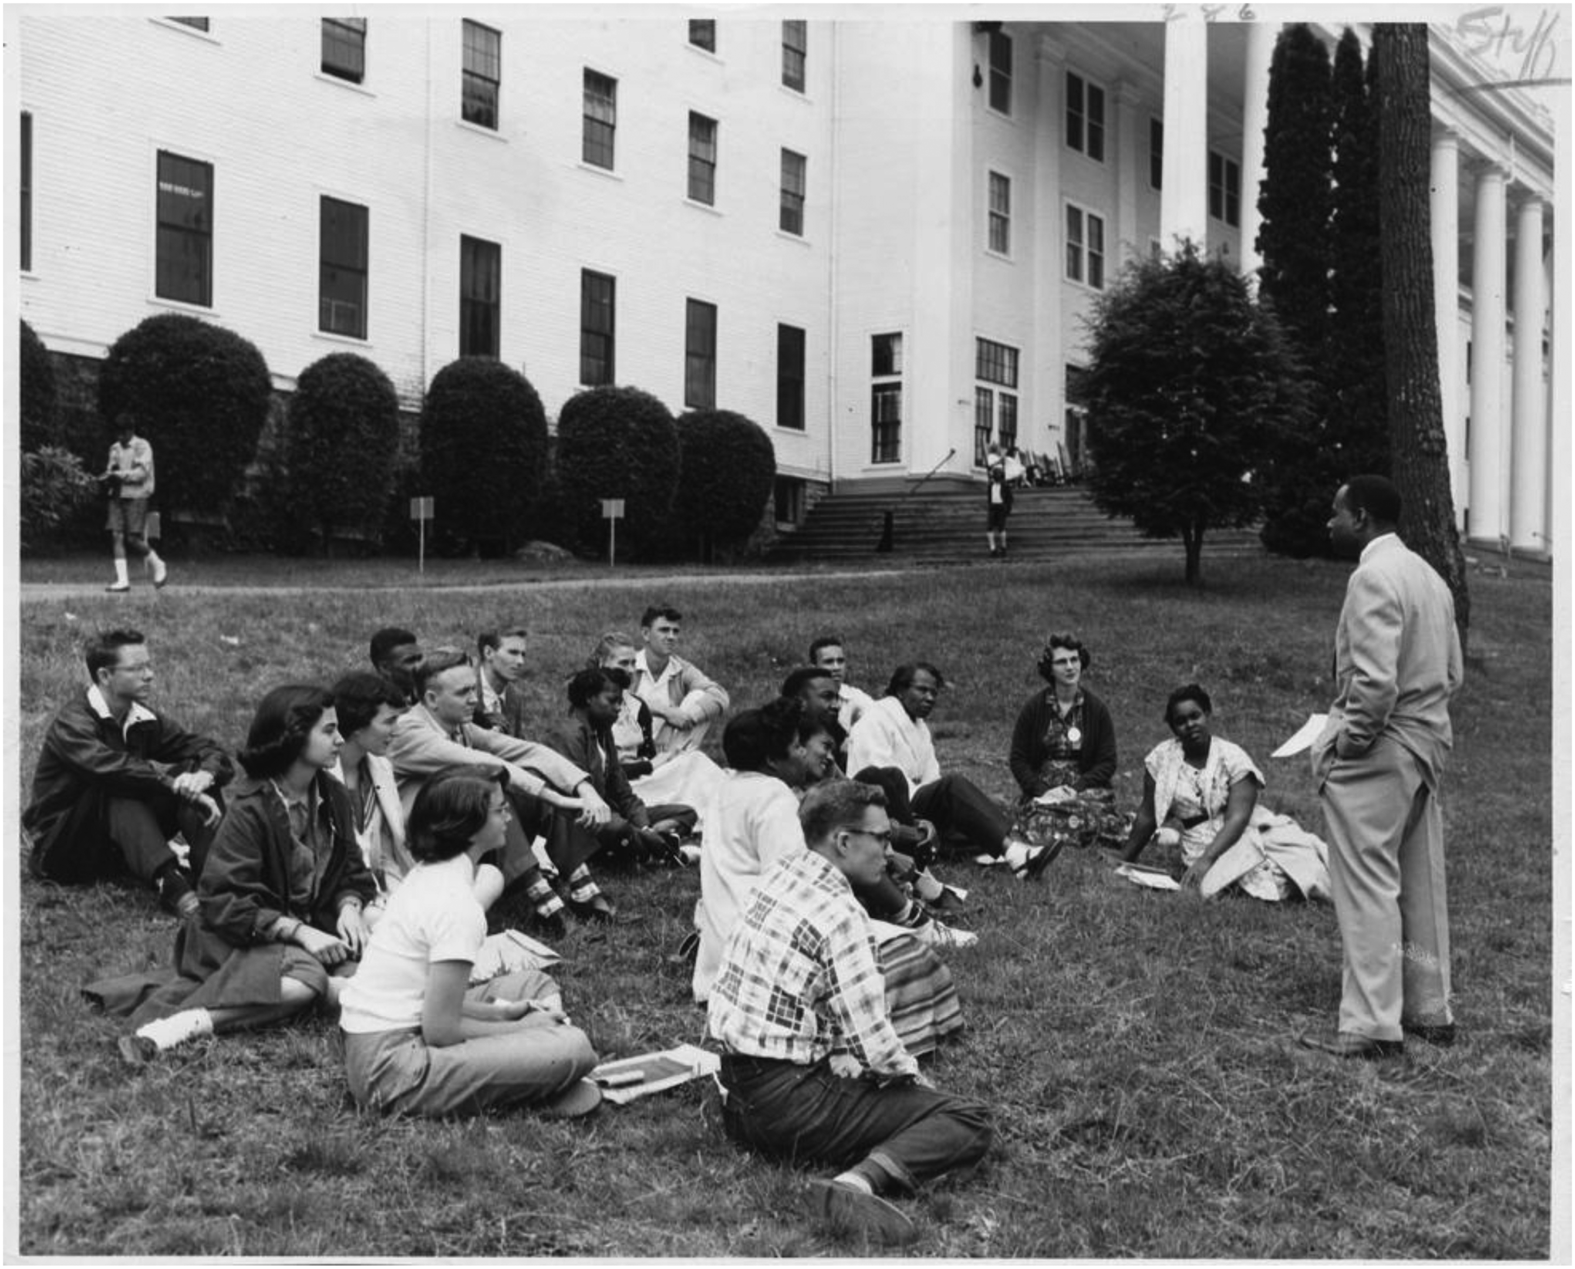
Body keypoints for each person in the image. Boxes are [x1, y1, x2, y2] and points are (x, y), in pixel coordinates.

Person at [709, 779, 993, 1246]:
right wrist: (918, 1089)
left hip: (737, 1098)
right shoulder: (842, 915)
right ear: (843, 841)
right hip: (788, 1105)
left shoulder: (779, 876)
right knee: (966, 1118)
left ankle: (844, 1152)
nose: (891, 850)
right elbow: (877, 1048)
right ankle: (855, 1184)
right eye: (881, 837)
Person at [86, 685, 378, 1064]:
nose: (340, 739)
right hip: (236, 937)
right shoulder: (251, 808)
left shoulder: (333, 793)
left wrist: (349, 905)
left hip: (311, 932)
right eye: (328, 730)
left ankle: (326, 989)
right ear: (292, 737)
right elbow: (223, 900)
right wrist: (299, 931)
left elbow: (352, 870)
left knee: (367, 971)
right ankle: (185, 1025)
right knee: (308, 983)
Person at [694, 701, 965, 1059]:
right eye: (796, 747)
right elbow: (797, 889)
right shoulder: (773, 797)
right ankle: (880, 1039)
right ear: (773, 760)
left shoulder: (727, 789)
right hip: (765, 948)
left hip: (721, 951)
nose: (804, 752)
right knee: (911, 955)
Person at [1301, 476, 1463, 1060]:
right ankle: (1427, 1009)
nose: (1329, 523)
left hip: (1381, 748)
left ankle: (1372, 1025)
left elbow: (1372, 684)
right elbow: (1452, 675)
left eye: (1336, 513)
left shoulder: (1372, 575)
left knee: (1368, 883)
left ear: (1362, 518)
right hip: (1425, 746)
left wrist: (1349, 744)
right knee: (1417, 880)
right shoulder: (1430, 577)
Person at [339, 767, 601, 1119]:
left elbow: (427, 998)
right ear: (470, 826)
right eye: (499, 810)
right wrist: (522, 1028)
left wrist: (501, 1014)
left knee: (534, 984)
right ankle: (535, 1080)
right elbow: (440, 1030)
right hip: (393, 1068)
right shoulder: (457, 905)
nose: (508, 816)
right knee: (574, 1046)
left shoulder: (428, 874)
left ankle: (529, 1074)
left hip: (380, 1039)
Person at [385, 648, 616, 926]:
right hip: (424, 846)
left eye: (473, 689)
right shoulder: (408, 731)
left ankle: (581, 887)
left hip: (459, 832)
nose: (474, 699)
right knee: (493, 786)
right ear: (432, 699)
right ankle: (544, 900)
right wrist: (556, 798)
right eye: (463, 693)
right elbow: (486, 764)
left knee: (527, 774)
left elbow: (527, 751)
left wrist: (584, 789)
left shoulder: (459, 726)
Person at [25, 628, 230, 916]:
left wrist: (203, 777)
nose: (149, 675)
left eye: (149, 665)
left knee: (192, 770)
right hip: (64, 851)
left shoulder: (141, 717)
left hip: (116, 847)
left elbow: (207, 749)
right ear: (105, 676)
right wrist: (170, 784)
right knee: (117, 783)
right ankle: (172, 885)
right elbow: (110, 768)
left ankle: (217, 877)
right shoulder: (73, 722)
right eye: (136, 668)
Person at [1121, 685, 1331, 901]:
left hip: (1245, 832)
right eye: (1181, 721)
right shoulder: (1161, 758)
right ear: (1174, 728)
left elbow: (1237, 818)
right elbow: (1148, 815)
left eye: (1195, 716)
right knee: (1212, 886)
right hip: (1197, 842)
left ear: (1207, 715)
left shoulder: (1232, 756)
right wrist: (1125, 860)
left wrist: (1207, 860)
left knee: (1289, 870)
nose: (1190, 725)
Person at [327, 671, 504, 924]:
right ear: (357, 726)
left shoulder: (380, 767)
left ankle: (442, 926)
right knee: (375, 916)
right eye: (389, 721)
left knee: (489, 875)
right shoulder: (323, 778)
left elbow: (388, 853)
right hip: (350, 898)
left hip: (390, 883)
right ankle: (447, 928)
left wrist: (399, 893)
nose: (397, 730)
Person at [847, 663, 1044, 877]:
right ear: (900, 690)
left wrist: (943, 804)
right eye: (922, 690)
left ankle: (998, 850)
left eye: (934, 692)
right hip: (889, 809)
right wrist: (935, 800)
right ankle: (1014, 853)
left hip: (917, 803)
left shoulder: (919, 727)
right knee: (953, 787)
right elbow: (881, 779)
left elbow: (932, 776)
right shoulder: (874, 720)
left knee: (982, 806)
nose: (930, 697)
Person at [543, 667, 697, 868]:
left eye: (620, 702)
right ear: (589, 698)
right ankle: (659, 853)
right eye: (612, 701)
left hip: (612, 813)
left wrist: (645, 827)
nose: (618, 708)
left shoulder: (603, 729)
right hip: (581, 820)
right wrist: (633, 829)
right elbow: (579, 801)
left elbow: (622, 791)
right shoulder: (567, 735)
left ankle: (649, 845)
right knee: (619, 829)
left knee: (686, 813)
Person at [592, 631, 724, 830]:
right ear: (602, 663)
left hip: (639, 781)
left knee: (695, 762)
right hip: (611, 789)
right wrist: (656, 763)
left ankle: (733, 804)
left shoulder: (637, 706)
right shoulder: (592, 705)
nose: (629, 670)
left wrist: (661, 761)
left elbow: (647, 754)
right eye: (622, 664)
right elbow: (599, 769)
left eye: (632, 663)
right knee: (691, 772)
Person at [1008, 633, 1117, 798]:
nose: (1070, 667)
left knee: (1085, 821)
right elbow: (1018, 759)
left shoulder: (1097, 710)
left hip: (1086, 791)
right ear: (1050, 668)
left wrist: (1078, 788)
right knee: (1045, 822)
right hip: (1044, 792)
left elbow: (1108, 761)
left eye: (1074, 660)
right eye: (1061, 662)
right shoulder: (1034, 709)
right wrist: (1042, 791)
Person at [628, 605, 730, 759]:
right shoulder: (629, 664)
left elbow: (720, 696)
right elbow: (618, 699)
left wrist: (679, 720)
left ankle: (671, 763)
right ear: (646, 634)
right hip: (628, 745)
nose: (671, 637)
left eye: (675, 631)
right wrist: (665, 712)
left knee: (699, 696)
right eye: (664, 630)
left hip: (666, 747)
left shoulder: (681, 669)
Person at [99, 412, 168, 592]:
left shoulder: (142, 446)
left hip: (136, 496)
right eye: (117, 434)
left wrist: (118, 475)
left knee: (133, 539)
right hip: (117, 496)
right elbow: (111, 469)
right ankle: (123, 581)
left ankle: (158, 564)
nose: (120, 437)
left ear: (131, 430)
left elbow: (140, 474)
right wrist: (107, 477)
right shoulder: (114, 448)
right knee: (116, 535)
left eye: (123, 433)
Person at [809, 634, 876, 734]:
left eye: (840, 661)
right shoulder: (804, 697)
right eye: (829, 662)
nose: (837, 667)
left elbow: (879, 719)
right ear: (813, 667)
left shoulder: (853, 696)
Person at [474, 626, 531, 736]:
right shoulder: (463, 689)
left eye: (523, 654)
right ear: (488, 653)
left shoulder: (514, 696)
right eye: (513, 653)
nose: (521, 661)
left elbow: (517, 743)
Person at [370, 627, 424, 707]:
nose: (421, 665)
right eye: (410, 661)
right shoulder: (373, 706)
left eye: (420, 658)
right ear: (385, 668)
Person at [984, 459, 1013, 559]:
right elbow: (989, 496)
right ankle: (993, 548)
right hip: (992, 507)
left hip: (1001, 507)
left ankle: (1003, 547)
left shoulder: (1005, 486)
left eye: (997, 475)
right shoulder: (990, 485)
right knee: (989, 528)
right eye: (994, 475)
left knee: (1001, 528)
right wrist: (989, 505)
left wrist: (1007, 510)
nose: (995, 478)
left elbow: (1010, 499)